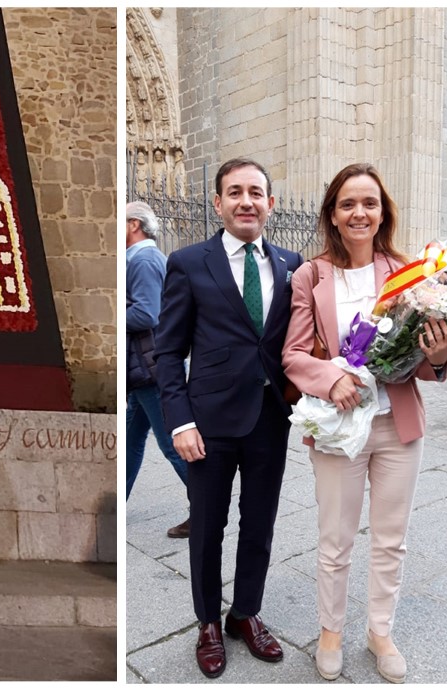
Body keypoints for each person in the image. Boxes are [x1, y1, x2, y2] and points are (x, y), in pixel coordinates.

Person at [282, 163, 447, 683]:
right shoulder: (310, 276)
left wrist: (442, 356)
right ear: (333, 216)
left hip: (396, 427)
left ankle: (380, 631)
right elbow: (292, 354)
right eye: (348, 204)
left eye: (370, 204)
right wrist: (327, 378)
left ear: (383, 213)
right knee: (335, 539)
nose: (360, 213)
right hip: (339, 428)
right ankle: (331, 630)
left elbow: (426, 363)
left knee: (390, 538)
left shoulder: (409, 274)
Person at [154, 158, 304, 679]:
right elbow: (167, 352)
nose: (247, 201)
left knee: (259, 524)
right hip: (208, 422)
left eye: (256, 192)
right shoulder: (189, 262)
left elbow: (298, 345)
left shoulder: (291, 264)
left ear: (270, 203)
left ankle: (244, 613)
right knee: (207, 528)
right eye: (235, 192)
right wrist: (179, 422)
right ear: (217, 204)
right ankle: (207, 622)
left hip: (270, 419)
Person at [124, 200, 192, 538]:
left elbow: (147, 314)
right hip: (144, 368)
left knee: (171, 443)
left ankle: (206, 505)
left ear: (134, 224)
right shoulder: (138, 259)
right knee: (130, 439)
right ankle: (115, 503)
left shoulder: (145, 260)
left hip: (151, 366)